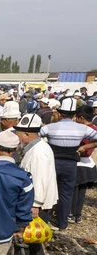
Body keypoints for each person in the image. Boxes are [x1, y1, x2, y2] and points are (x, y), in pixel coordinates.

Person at [39, 98, 97, 230]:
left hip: (53, 163)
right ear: (74, 115)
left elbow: (37, 135)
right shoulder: (82, 128)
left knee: (49, 192)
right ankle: (62, 223)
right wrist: (86, 146)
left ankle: (45, 221)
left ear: (60, 114)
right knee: (66, 194)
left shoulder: (50, 127)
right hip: (71, 165)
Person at [14, 113, 58, 255]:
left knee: (32, 239)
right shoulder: (36, 148)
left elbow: (39, 179)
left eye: (18, 134)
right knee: (32, 239)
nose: (17, 137)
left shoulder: (38, 152)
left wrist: (35, 205)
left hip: (35, 204)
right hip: (34, 203)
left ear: (27, 134)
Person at [70, 105, 97, 224]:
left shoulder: (85, 130)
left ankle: (71, 213)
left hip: (79, 163)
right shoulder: (94, 128)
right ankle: (77, 215)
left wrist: (83, 147)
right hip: (88, 164)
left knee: (73, 190)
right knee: (81, 191)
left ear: (81, 118)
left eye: (76, 117)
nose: (75, 120)